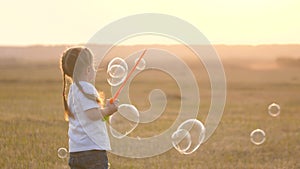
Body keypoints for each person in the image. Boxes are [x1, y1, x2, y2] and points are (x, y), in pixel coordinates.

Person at [60, 46, 118, 169]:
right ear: (87, 70)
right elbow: (92, 115)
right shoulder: (86, 88)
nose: (94, 69)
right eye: (92, 66)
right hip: (93, 151)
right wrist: (108, 110)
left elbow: (90, 117)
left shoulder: (73, 90)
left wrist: (106, 113)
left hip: (76, 151)